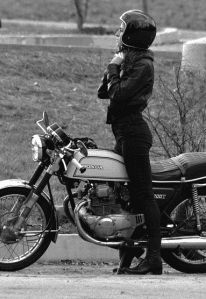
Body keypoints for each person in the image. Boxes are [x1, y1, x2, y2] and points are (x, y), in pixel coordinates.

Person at [97, 10, 162, 275]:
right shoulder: (130, 60)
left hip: (134, 134)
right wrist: (115, 65)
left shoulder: (144, 64)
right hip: (123, 133)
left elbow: (120, 96)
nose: (116, 33)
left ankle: (154, 259)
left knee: (143, 195)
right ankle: (129, 253)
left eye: (120, 29)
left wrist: (114, 68)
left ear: (131, 35)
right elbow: (105, 92)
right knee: (124, 195)